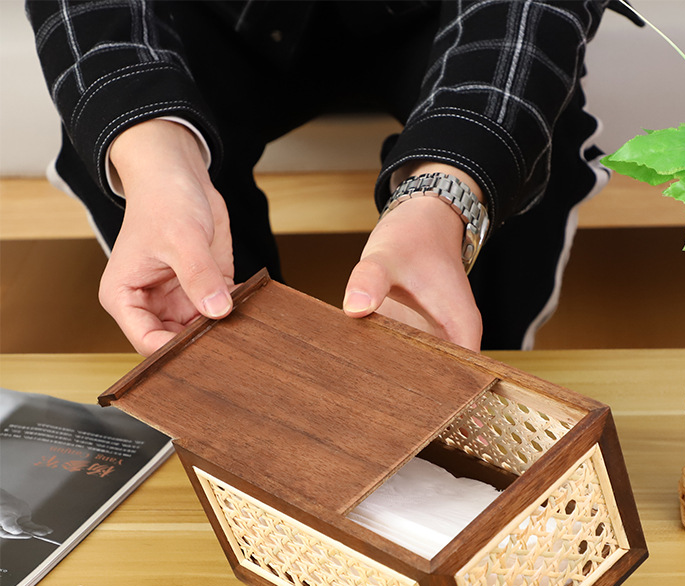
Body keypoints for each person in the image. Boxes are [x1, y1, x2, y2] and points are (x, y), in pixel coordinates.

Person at [26, 0, 638, 356]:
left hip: (447, 12)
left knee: (526, 134)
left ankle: (472, 395)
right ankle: (241, 394)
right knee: (120, 132)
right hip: (220, 14)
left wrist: (445, 193)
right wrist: (157, 163)